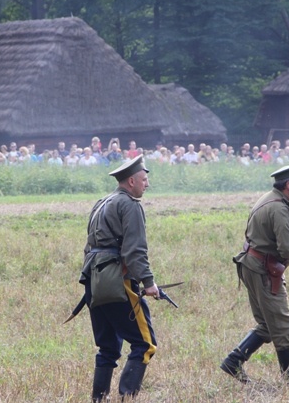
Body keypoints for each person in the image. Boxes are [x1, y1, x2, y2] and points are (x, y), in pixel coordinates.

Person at [221, 161, 289, 383]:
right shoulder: (280, 208)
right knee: (283, 324)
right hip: (263, 270)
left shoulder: (269, 199)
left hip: (253, 264)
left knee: (266, 323)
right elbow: (288, 249)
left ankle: (233, 362)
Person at [78, 155, 159, 402]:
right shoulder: (130, 205)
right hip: (118, 282)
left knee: (108, 348)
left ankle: (98, 399)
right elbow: (134, 251)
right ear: (132, 180)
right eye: (144, 180)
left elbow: (89, 246)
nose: (147, 184)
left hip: (95, 282)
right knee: (145, 345)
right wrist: (148, 283)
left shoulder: (102, 202)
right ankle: (126, 398)